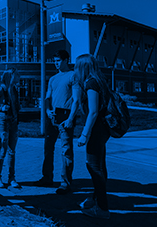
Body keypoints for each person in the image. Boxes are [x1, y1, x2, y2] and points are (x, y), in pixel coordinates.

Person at [34, 50, 80, 195]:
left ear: (66, 60)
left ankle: (65, 183)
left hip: (65, 116)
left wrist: (71, 118)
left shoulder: (73, 76)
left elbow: (76, 100)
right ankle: (47, 177)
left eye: (58, 60)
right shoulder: (53, 79)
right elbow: (47, 98)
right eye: (54, 60)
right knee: (48, 148)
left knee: (66, 150)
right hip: (52, 116)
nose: (56, 63)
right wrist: (47, 111)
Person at [75, 54, 111, 219]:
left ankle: (102, 209)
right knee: (100, 167)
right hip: (102, 130)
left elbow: (93, 111)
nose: (76, 69)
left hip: (95, 131)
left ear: (83, 67)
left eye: (77, 66)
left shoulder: (91, 83)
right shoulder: (100, 80)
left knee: (94, 167)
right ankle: (97, 199)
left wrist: (84, 135)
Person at [0, 67, 21, 188]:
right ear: (11, 76)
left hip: (13, 121)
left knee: (12, 151)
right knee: (3, 149)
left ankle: (12, 178)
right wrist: (0, 108)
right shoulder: (0, 89)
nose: (19, 77)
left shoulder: (14, 89)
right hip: (2, 121)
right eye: (17, 75)